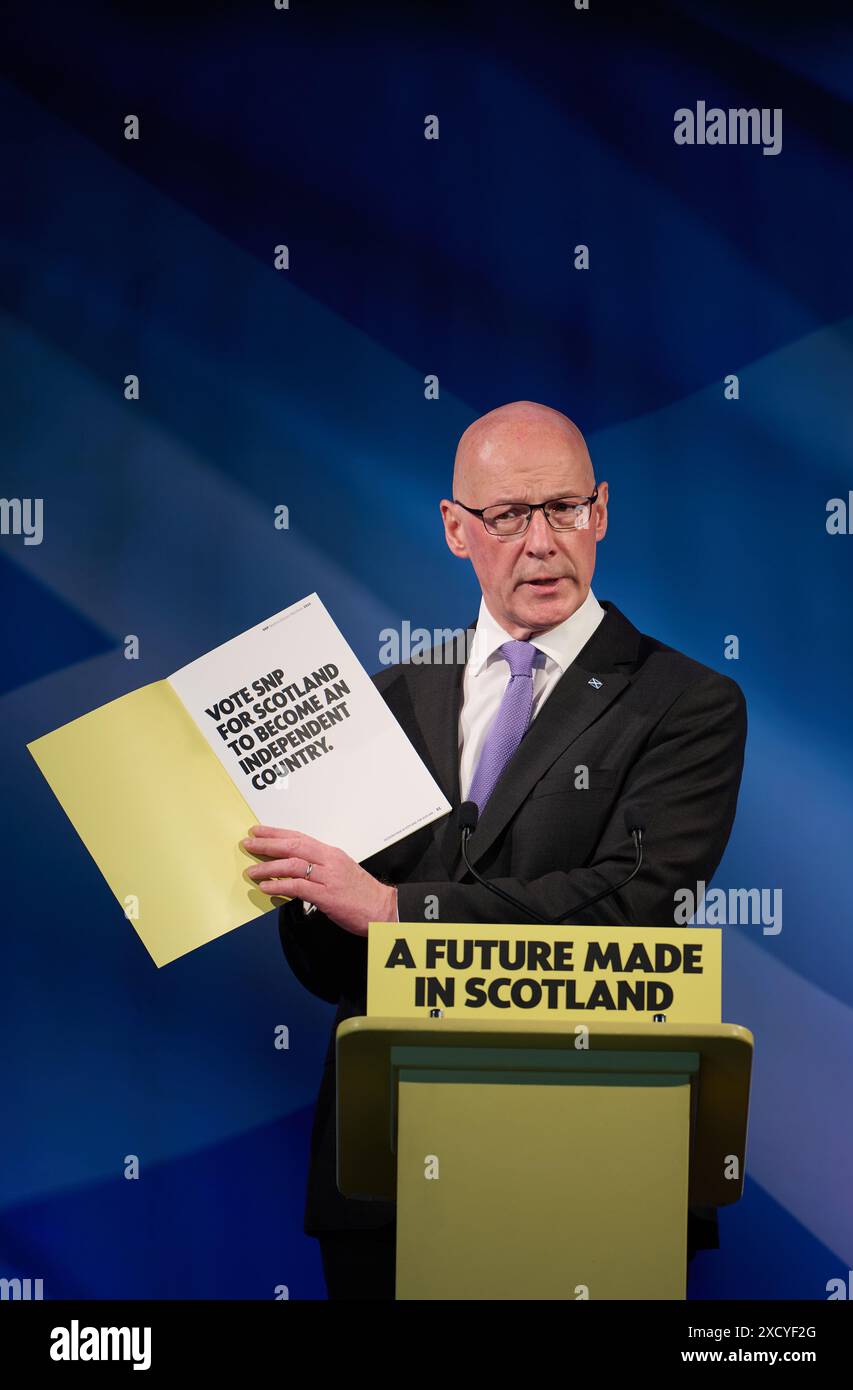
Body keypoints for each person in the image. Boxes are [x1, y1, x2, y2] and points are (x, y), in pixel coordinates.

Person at [243, 400, 747, 1299]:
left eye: (564, 508)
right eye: (509, 517)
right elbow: (330, 967)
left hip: (594, 1171)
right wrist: (300, 883)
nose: (542, 541)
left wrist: (398, 910)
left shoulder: (687, 705)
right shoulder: (380, 702)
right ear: (455, 529)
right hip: (388, 1174)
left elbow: (636, 905)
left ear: (602, 510)